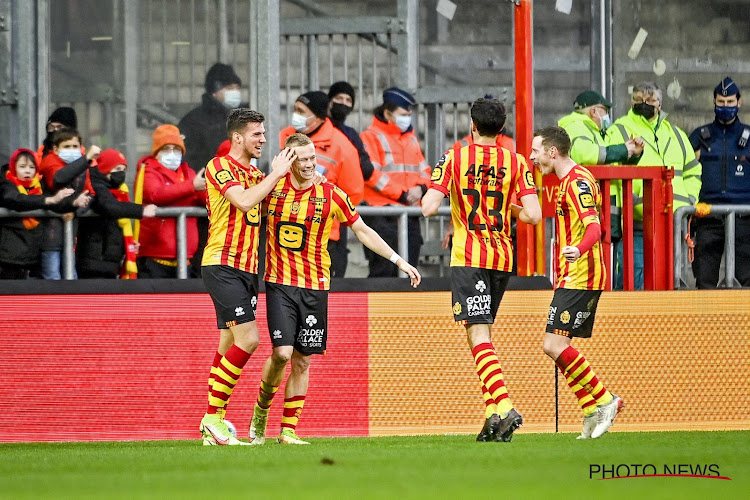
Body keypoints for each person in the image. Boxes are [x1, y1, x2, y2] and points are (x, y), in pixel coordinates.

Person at [247, 133, 421, 446]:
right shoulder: (271, 190)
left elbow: (363, 231)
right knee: (282, 354)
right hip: (280, 284)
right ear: (288, 160)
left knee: (303, 361)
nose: (311, 164)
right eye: (303, 160)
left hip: (316, 286)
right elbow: (242, 212)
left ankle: (288, 431)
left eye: (313, 158)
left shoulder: (330, 193)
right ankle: (261, 412)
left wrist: (399, 260)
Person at [421, 97, 541, 442]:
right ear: (501, 128)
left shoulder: (454, 157)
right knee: (483, 332)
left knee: (477, 334)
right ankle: (492, 417)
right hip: (502, 255)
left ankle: (503, 405)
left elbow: (429, 208)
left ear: (472, 125)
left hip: (470, 255)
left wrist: (438, 193)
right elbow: (533, 215)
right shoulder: (516, 161)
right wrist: (506, 206)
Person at [199, 108, 297, 446]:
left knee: (228, 343)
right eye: (257, 134)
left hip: (247, 269)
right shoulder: (219, 166)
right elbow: (241, 202)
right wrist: (275, 174)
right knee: (250, 339)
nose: (264, 139)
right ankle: (213, 418)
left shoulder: (256, 174)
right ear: (237, 137)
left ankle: (215, 423)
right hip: (222, 263)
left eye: (264, 133)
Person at [529, 126, 623, 439]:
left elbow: (595, 229)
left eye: (536, 151)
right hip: (572, 274)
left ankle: (607, 400)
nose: (532, 157)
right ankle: (589, 409)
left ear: (552, 152)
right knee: (559, 347)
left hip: (582, 273)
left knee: (552, 345)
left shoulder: (577, 182)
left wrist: (577, 250)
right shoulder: (566, 180)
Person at [607, 81, 702, 289]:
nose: (644, 104)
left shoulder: (676, 134)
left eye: (650, 100)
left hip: (673, 225)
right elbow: (612, 176)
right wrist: (622, 208)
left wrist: (690, 200)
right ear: (631, 101)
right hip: (637, 226)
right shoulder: (620, 130)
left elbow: (693, 170)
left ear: (660, 103)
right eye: (638, 100)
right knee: (635, 283)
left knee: (672, 283)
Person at [558, 90, 644, 289]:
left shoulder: (594, 131)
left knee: (608, 262)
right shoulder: (576, 126)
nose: (606, 117)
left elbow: (609, 161)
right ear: (594, 111)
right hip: (592, 208)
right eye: (604, 111)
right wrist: (625, 150)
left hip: (604, 208)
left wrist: (632, 153)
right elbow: (586, 154)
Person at [280, 91, 364, 277]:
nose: (296, 115)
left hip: (324, 237)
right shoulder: (284, 137)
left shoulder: (342, 145)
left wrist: (322, 208)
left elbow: (354, 193)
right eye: (295, 109)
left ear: (317, 117)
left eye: (301, 111)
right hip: (284, 232)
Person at [179, 62, 244, 278]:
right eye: (229, 88)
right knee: (205, 260)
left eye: (237, 87)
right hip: (204, 204)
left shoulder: (240, 120)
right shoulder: (193, 121)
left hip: (237, 203)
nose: (235, 92)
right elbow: (185, 162)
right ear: (215, 90)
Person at [360, 87, 431, 276]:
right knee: (383, 270)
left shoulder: (411, 139)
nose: (407, 118)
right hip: (382, 214)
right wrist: (403, 194)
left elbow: (425, 170)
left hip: (408, 213)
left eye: (408, 114)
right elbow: (372, 175)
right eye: (403, 114)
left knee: (410, 269)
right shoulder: (370, 137)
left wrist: (421, 189)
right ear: (387, 113)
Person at [688, 77, 750, 288]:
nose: (725, 107)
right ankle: (704, 320)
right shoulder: (699, 136)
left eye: (730, 102)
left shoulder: (749, 138)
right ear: (714, 102)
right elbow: (685, 172)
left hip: (744, 219)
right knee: (705, 280)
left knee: (747, 280)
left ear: (739, 103)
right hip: (708, 218)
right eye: (721, 102)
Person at [327, 81, 393, 277]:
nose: (343, 104)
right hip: (321, 202)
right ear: (329, 101)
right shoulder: (317, 131)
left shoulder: (350, 134)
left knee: (339, 259)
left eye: (348, 100)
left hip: (343, 201)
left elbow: (365, 167)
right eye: (338, 99)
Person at [134, 124, 206, 278]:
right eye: (166, 149)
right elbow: (156, 195)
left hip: (185, 256)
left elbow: (206, 201)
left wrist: (205, 190)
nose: (172, 153)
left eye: (176, 149)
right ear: (157, 152)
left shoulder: (189, 173)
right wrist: (191, 187)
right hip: (155, 257)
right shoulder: (148, 171)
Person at [76, 149, 158, 279]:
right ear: (105, 169)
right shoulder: (96, 185)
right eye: (117, 168)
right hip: (94, 261)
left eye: (124, 169)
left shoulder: (120, 192)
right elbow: (109, 207)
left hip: (109, 262)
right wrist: (141, 210)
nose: (121, 173)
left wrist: (127, 243)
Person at [0, 149, 76, 279]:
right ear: (13, 168)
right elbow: (14, 199)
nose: (28, 171)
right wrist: (48, 200)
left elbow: (55, 201)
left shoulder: (40, 186)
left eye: (32, 167)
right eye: (22, 167)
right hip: (9, 256)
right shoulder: (6, 184)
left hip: (34, 255)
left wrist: (73, 203)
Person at [37, 128, 97, 279]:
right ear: (56, 149)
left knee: (71, 277)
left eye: (75, 146)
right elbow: (59, 179)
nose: (72, 150)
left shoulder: (83, 167)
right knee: (52, 277)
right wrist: (86, 158)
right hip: (49, 235)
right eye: (67, 147)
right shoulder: (50, 162)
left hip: (70, 236)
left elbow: (90, 192)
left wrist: (76, 210)